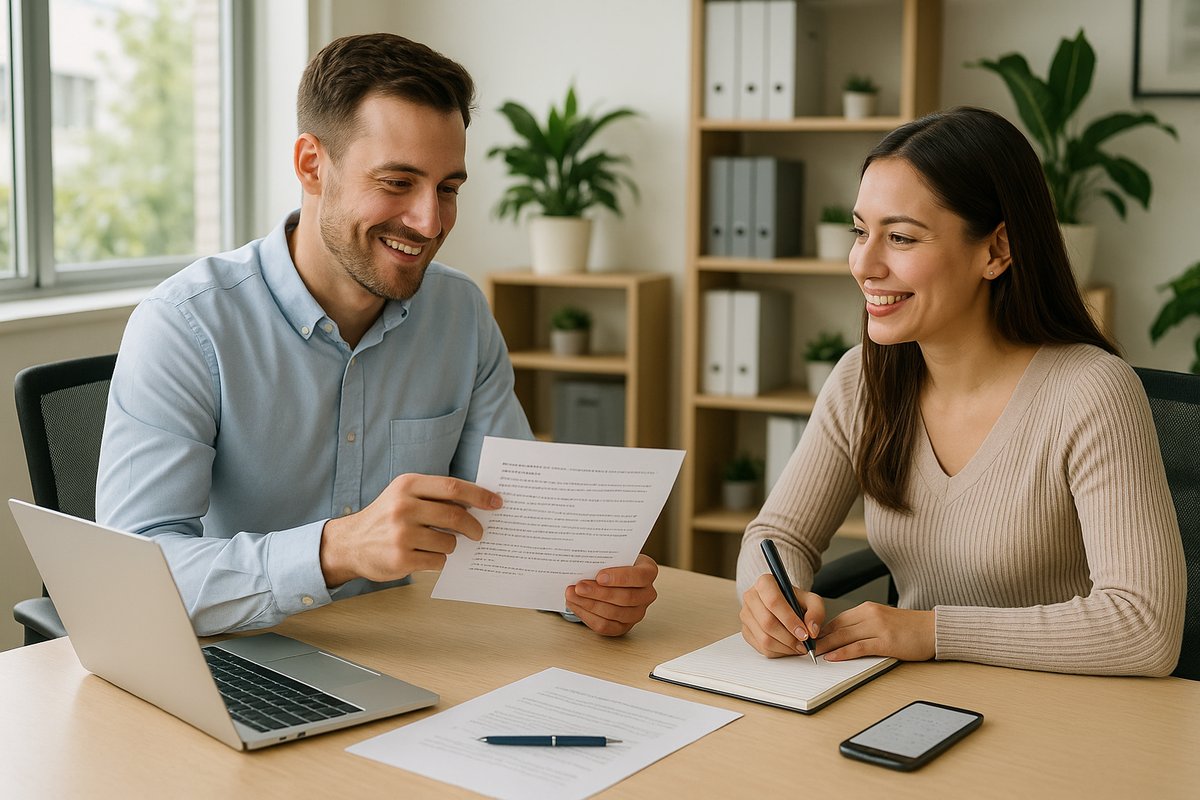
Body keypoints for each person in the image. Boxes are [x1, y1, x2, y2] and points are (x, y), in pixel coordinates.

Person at [96, 33, 658, 638]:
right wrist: (334, 551)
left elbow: (508, 520)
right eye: (397, 183)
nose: (430, 222)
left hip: (399, 650)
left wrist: (586, 586)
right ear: (313, 165)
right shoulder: (186, 324)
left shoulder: (460, 313)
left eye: (448, 188)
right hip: (233, 659)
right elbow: (131, 575)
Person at [737, 106, 1186, 677]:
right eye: (860, 231)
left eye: (900, 237)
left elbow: (1143, 628)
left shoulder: (1090, 392)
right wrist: (770, 598)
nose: (863, 264)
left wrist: (930, 631)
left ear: (996, 250)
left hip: (1064, 720)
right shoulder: (862, 381)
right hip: (910, 704)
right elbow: (777, 535)